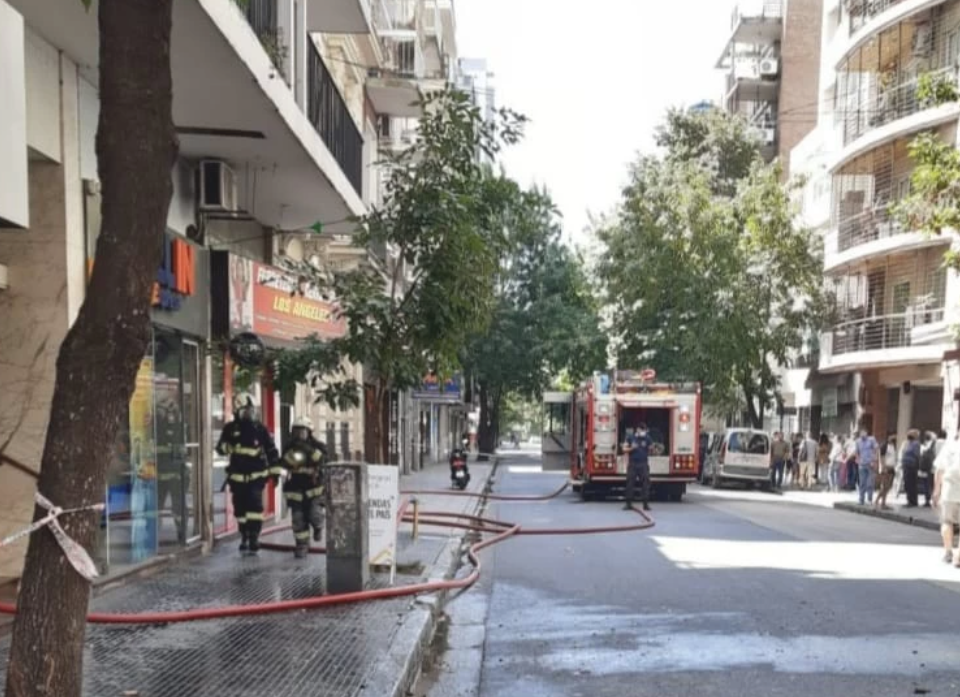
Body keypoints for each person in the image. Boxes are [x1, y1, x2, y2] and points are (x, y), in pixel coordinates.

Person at [216, 392, 281, 554]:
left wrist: (275, 473)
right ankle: (244, 533)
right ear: (238, 411)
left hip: (256, 477)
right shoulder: (230, 429)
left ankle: (254, 538)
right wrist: (230, 446)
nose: (250, 414)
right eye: (246, 411)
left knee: (255, 507)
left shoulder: (260, 429)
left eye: (251, 410)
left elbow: (272, 451)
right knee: (240, 510)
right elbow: (220, 448)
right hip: (237, 478)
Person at [281, 417, 328, 558]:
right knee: (298, 519)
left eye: (302, 431)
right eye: (296, 431)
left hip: (314, 489)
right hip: (296, 489)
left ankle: (318, 527)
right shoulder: (289, 447)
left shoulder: (317, 445)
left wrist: (309, 450)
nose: (299, 434)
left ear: (309, 432)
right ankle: (302, 545)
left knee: (315, 514)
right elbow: (283, 463)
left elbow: (323, 460)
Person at [932, 432, 960, 566]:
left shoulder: (949, 447)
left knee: (947, 521)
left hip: (949, 489)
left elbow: (939, 470)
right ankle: (958, 556)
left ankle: (948, 552)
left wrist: (936, 491)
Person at [623, 424, 652, 511]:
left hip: (643, 464)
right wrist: (632, 448)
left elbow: (651, 448)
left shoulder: (647, 438)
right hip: (633, 464)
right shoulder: (630, 438)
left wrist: (651, 448)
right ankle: (628, 504)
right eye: (641, 430)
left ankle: (645, 504)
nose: (642, 432)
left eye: (643, 430)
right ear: (637, 430)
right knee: (630, 483)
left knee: (645, 484)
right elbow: (624, 449)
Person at [855, 427, 879, 506]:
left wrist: (874, 460)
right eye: (861, 433)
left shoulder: (871, 439)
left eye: (864, 433)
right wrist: (858, 460)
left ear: (867, 433)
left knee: (870, 483)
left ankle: (869, 499)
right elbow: (857, 452)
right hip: (862, 464)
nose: (862, 435)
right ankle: (861, 499)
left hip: (870, 464)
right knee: (862, 483)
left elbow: (876, 450)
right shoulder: (858, 441)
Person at [875, 434, 897, 510]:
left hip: (892, 467)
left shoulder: (893, 446)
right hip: (886, 468)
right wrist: (884, 467)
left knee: (889, 486)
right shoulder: (885, 446)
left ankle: (878, 500)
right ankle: (882, 503)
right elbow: (882, 457)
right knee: (885, 486)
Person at [901, 429, 922, 508]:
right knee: (907, 483)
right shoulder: (907, 443)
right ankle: (909, 500)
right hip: (906, 465)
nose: (909, 435)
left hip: (912, 466)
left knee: (911, 484)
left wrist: (917, 465)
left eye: (911, 434)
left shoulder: (916, 444)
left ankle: (912, 501)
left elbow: (917, 455)